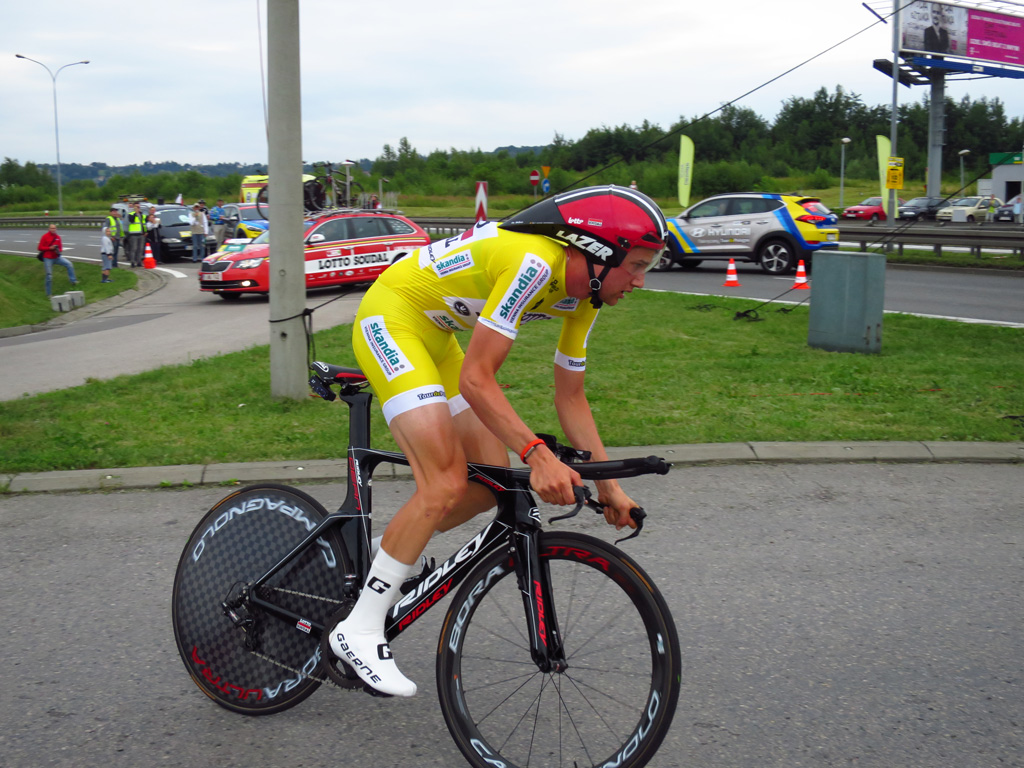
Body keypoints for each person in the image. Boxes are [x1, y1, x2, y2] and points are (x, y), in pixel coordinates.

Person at [328, 185, 668, 697]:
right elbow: (477, 379)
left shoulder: (588, 294)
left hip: (437, 337)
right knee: (442, 481)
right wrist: (537, 455)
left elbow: (571, 398)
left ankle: (383, 556)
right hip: (392, 319)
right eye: (637, 265)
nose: (641, 281)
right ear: (599, 252)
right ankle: (358, 629)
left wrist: (609, 489)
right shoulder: (534, 264)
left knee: (486, 485)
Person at [37, 223, 77, 296]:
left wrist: (58, 250)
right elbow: (39, 247)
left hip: (56, 257)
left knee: (69, 264)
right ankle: (48, 294)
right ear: (49, 229)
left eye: (54, 228)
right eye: (52, 228)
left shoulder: (58, 237)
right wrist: (49, 248)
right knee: (49, 276)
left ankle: (73, 281)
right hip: (48, 258)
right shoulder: (45, 236)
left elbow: (61, 248)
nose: (53, 229)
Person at [125, 202, 148, 268]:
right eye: (137, 207)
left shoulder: (142, 215)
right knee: (134, 249)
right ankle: (132, 262)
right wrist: (135, 213)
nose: (138, 208)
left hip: (141, 234)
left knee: (140, 249)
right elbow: (131, 220)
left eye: (139, 207)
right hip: (133, 234)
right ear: (134, 207)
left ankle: (139, 262)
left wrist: (145, 231)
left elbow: (143, 224)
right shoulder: (131, 214)